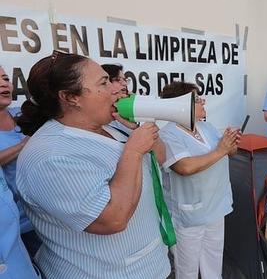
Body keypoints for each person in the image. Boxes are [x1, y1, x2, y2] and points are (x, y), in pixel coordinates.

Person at [15, 51, 170, 279]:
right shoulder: (50, 156)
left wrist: (139, 131)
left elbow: (161, 158)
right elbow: (111, 219)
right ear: (70, 97)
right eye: (104, 82)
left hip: (151, 267)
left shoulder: (114, 127)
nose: (115, 89)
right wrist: (134, 151)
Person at [159, 82, 239, 279]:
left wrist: (231, 143)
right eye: (197, 99)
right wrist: (221, 149)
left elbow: (230, 152)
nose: (203, 102)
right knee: (188, 271)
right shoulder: (168, 134)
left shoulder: (205, 126)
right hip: (189, 216)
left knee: (213, 265)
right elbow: (184, 167)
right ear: (181, 105)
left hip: (215, 207)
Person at [0, 66, 41, 258]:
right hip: (20, 228)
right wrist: (23, 146)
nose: (4, 84)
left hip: (46, 217)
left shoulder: (21, 115)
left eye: (5, 78)